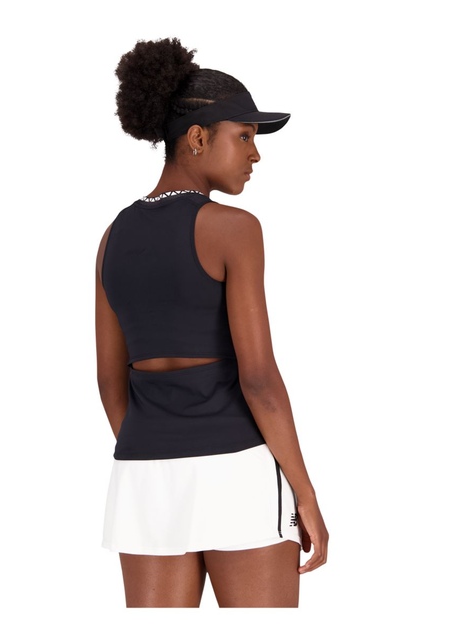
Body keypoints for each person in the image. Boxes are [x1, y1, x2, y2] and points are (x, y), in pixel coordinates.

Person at [95, 37, 328, 608]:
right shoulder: (234, 229)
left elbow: (109, 381)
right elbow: (259, 379)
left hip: (144, 477)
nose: (255, 154)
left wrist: (161, 451)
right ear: (197, 138)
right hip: (237, 468)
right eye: (244, 136)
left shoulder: (112, 237)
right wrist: (304, 492)